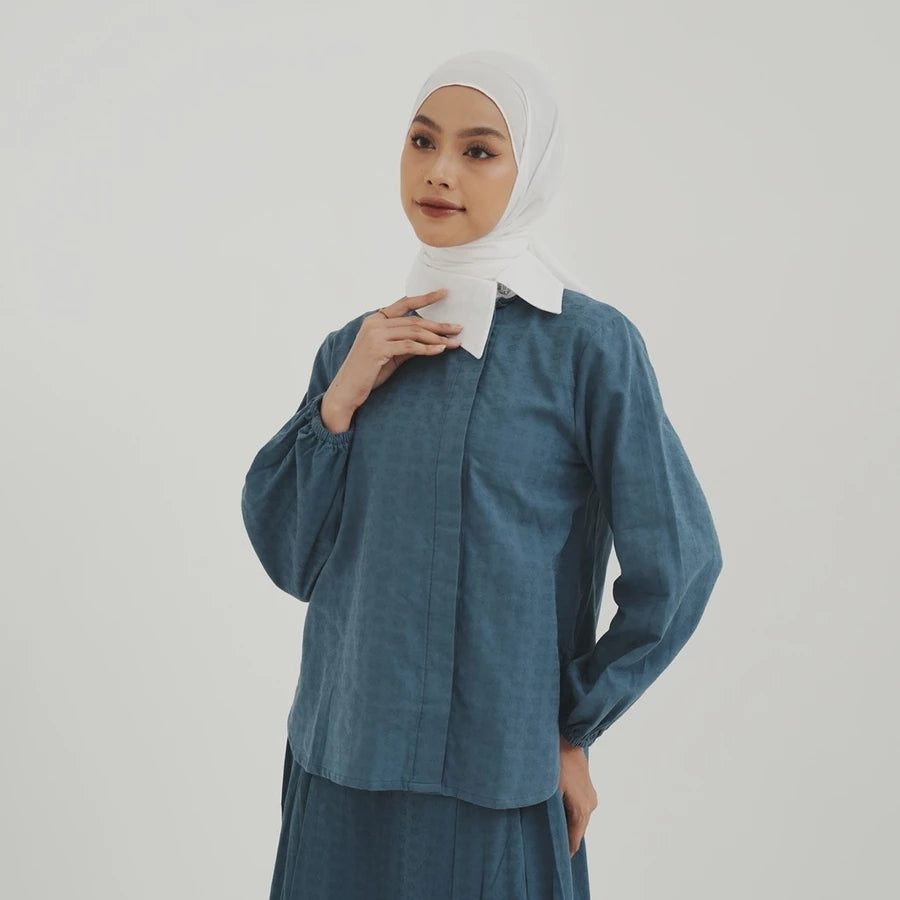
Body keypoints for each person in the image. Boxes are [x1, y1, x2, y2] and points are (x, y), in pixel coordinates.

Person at [241, 49, 723, 900]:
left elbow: (678, 565)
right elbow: (290, 558)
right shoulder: (352, 348)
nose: (439, 171)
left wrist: (574, 727)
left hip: (497, 781)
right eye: (422, 141)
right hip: (341, 766)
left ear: (527, 168)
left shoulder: (589, 348)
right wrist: (338, 405)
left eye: (478, 149)